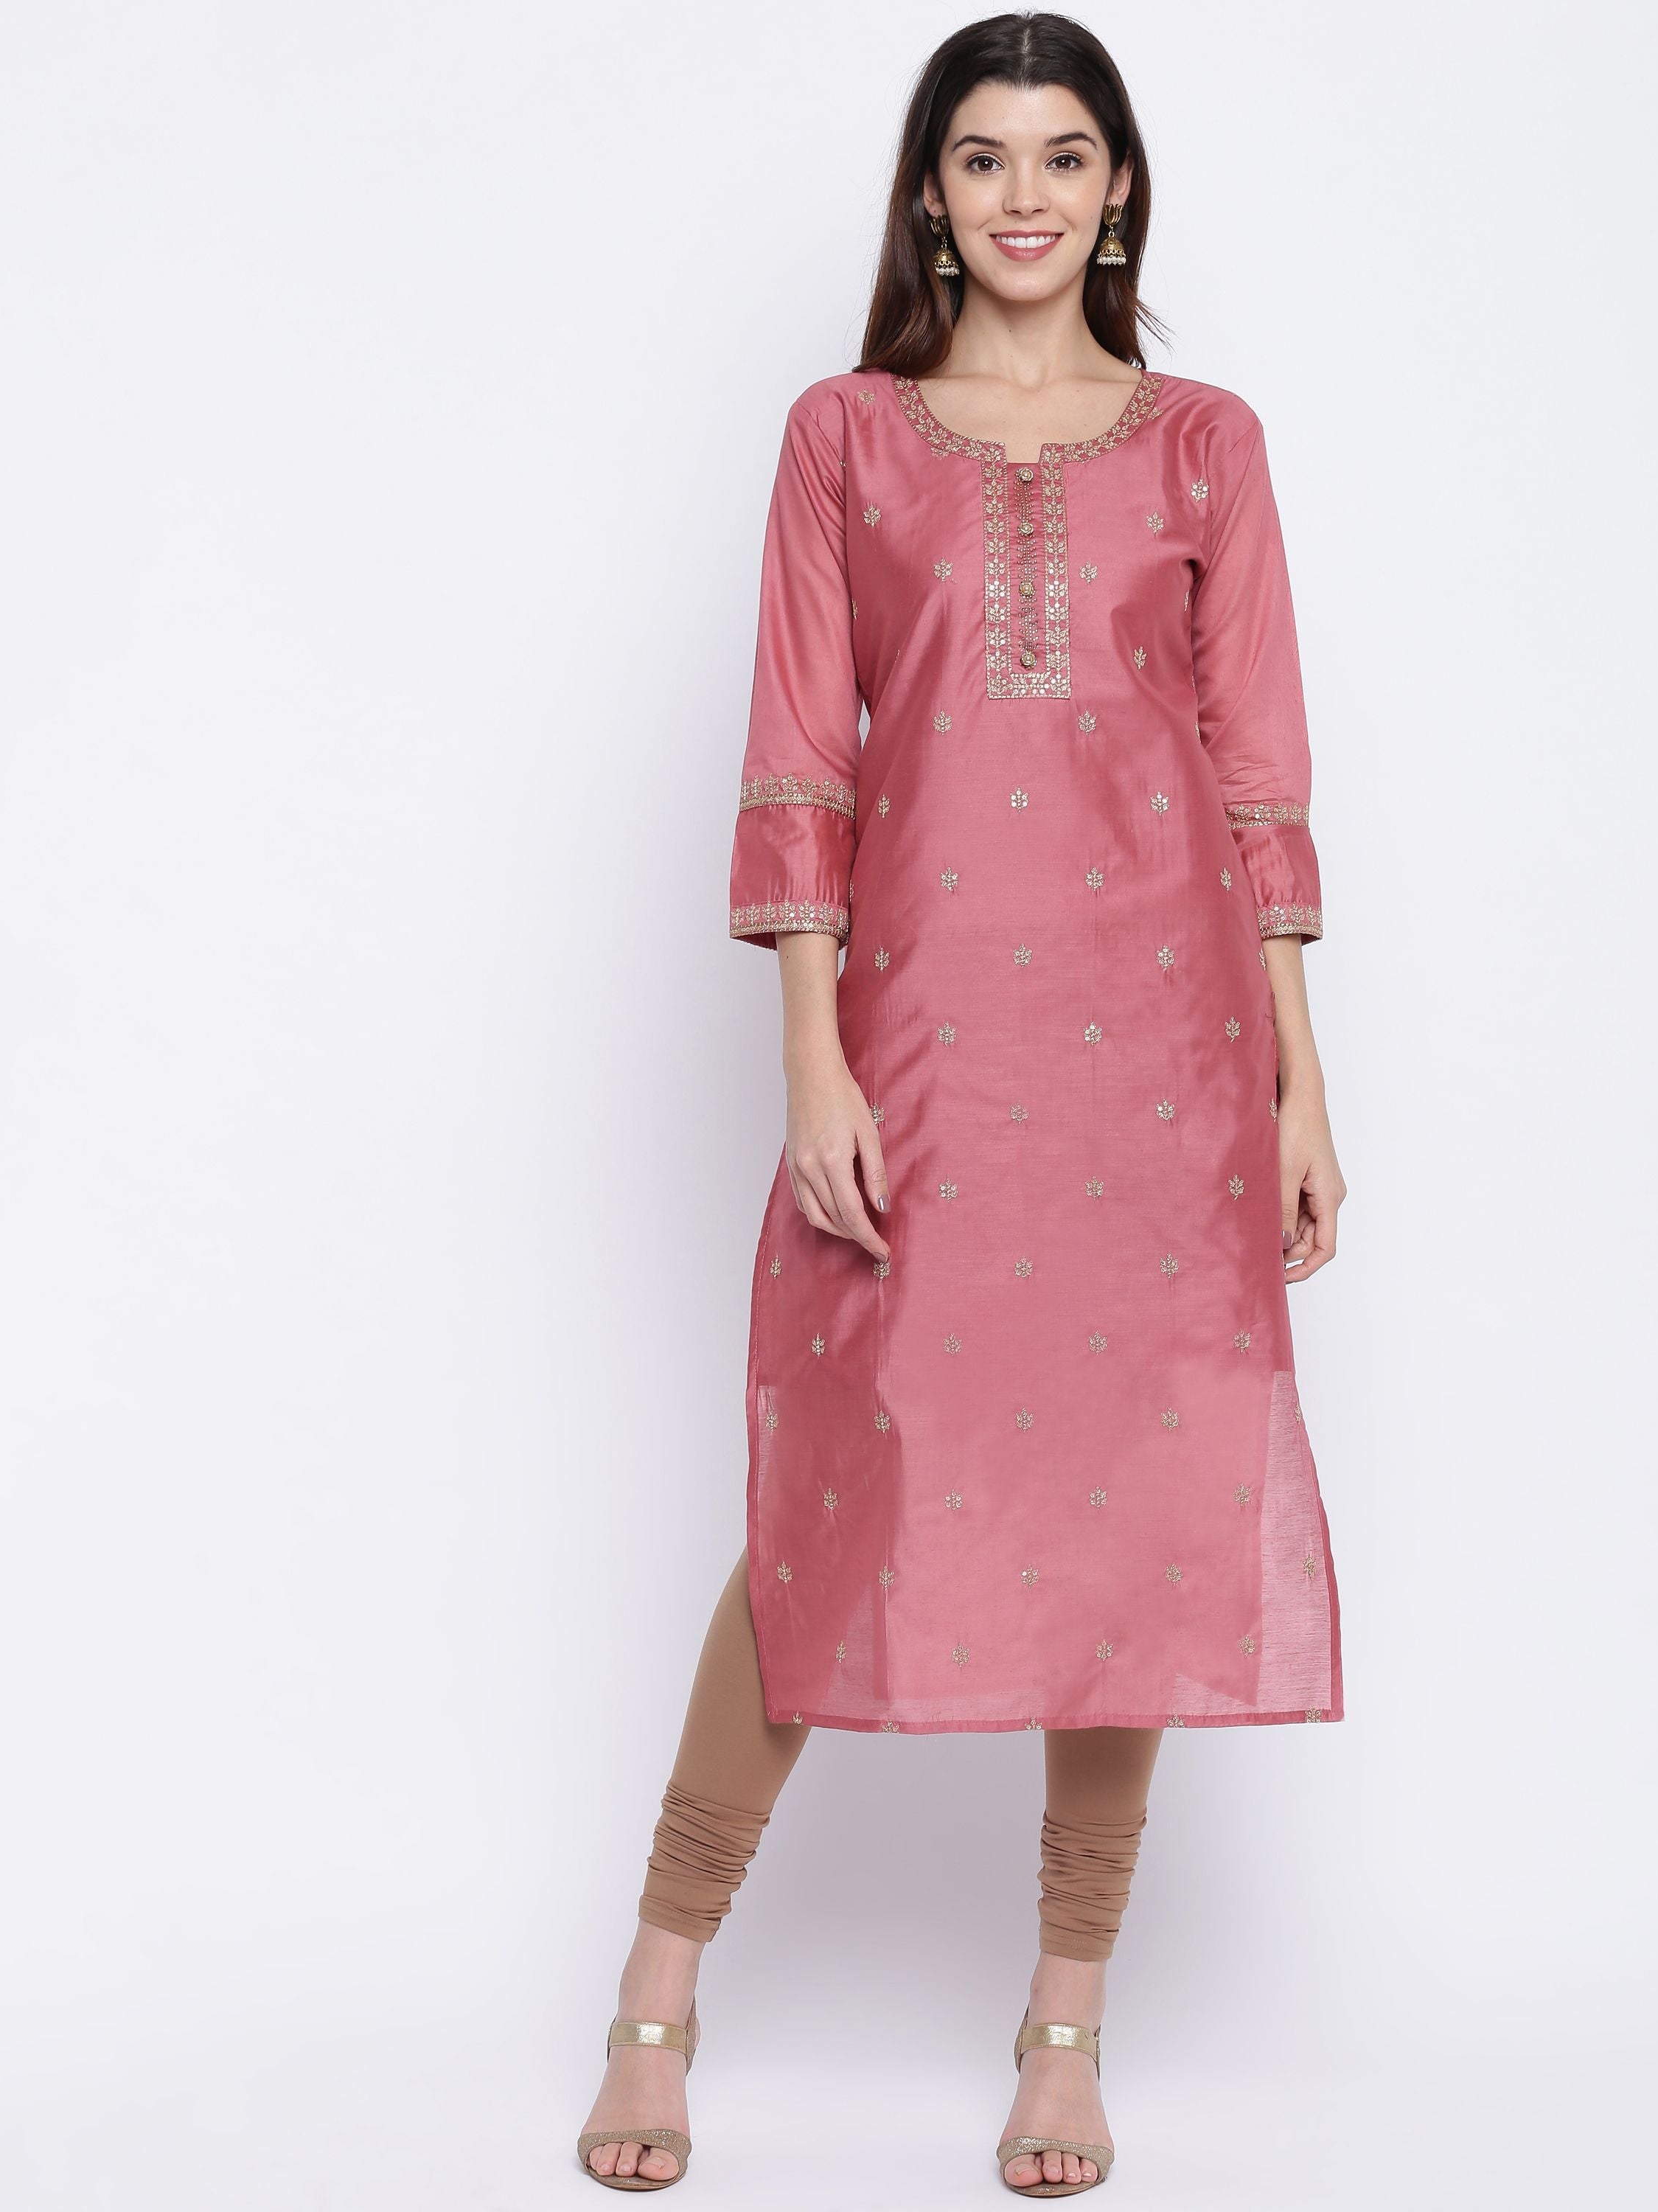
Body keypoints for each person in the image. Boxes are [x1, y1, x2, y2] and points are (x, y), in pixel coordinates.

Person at [577, 12, 1347, 2194]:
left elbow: (1257, 776)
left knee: (1136, 1504)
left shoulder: (1206, 445)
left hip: (1167, 1053)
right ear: (932, 193)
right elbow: (801, 753)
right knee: (832, 1498)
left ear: (1120, 193)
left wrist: (1299, 1083)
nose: (1026, 194)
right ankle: (658, 1983)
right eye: (985, 156)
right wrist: (810, 1045)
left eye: (1065, 156)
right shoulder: (846, 438)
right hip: (918, 1040)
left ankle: (1066, 2021)